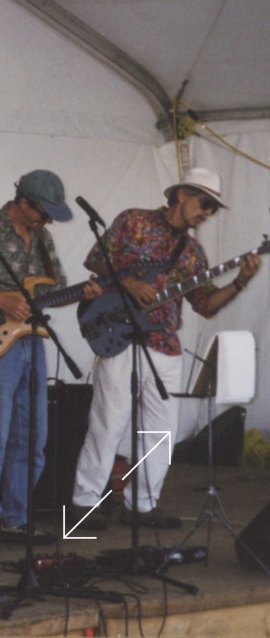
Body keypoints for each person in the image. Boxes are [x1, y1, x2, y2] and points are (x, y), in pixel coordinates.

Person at [71, 167, 261, 530]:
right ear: (182, 195)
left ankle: (141, 505)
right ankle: (83, 504)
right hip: (120, 337)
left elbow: (205, 305)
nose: (206, 213)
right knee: (108, 422)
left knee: (160, 430)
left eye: (213, 209)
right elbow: (95, 259)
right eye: (205, 204)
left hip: (164, 342)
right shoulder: (133, 222)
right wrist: (127, 282)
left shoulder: (192, 252)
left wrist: (240, 282)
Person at [0, 169, 100, 544]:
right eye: (43, 212)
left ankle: (16, 518)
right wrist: (1, 301)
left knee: (33, 436)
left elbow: (58, 290)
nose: (48, 219)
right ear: (23, 202)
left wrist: (85, 293)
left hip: (31, 341)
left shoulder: (43, 238)